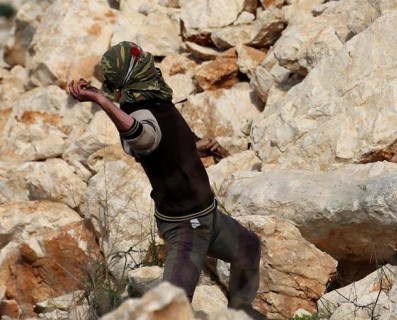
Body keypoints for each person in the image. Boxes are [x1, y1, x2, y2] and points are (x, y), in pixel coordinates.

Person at [67, 41, 263, 317]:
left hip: (209, 216)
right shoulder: (138, 113)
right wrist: (102, 100)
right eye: (139, 56)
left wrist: (198, 147)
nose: (147, 55)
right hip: (186, 225)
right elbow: (143, 137)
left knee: (248, 247)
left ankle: (239, 312)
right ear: (133, 71)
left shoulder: (154, 101)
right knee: (173, 303)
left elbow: (166, 143)